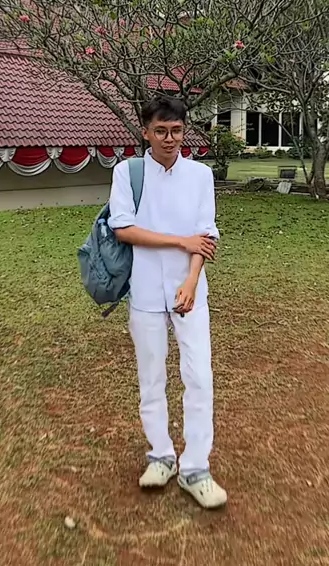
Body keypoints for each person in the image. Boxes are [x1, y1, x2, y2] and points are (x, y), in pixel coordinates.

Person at [108, 95, 227, 509]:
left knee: (199, 376)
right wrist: (179, 241)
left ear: (184, 131)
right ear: (146, 132)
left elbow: (205, 235)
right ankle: (160, 455)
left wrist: (191, 280)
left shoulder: (200, 175)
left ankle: (196, 467)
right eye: (160, 131)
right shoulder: (128, 173)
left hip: (190, 291)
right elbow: (123, 228)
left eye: (176, 130)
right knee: (151, 377)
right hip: (144, 290)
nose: (169, 138)